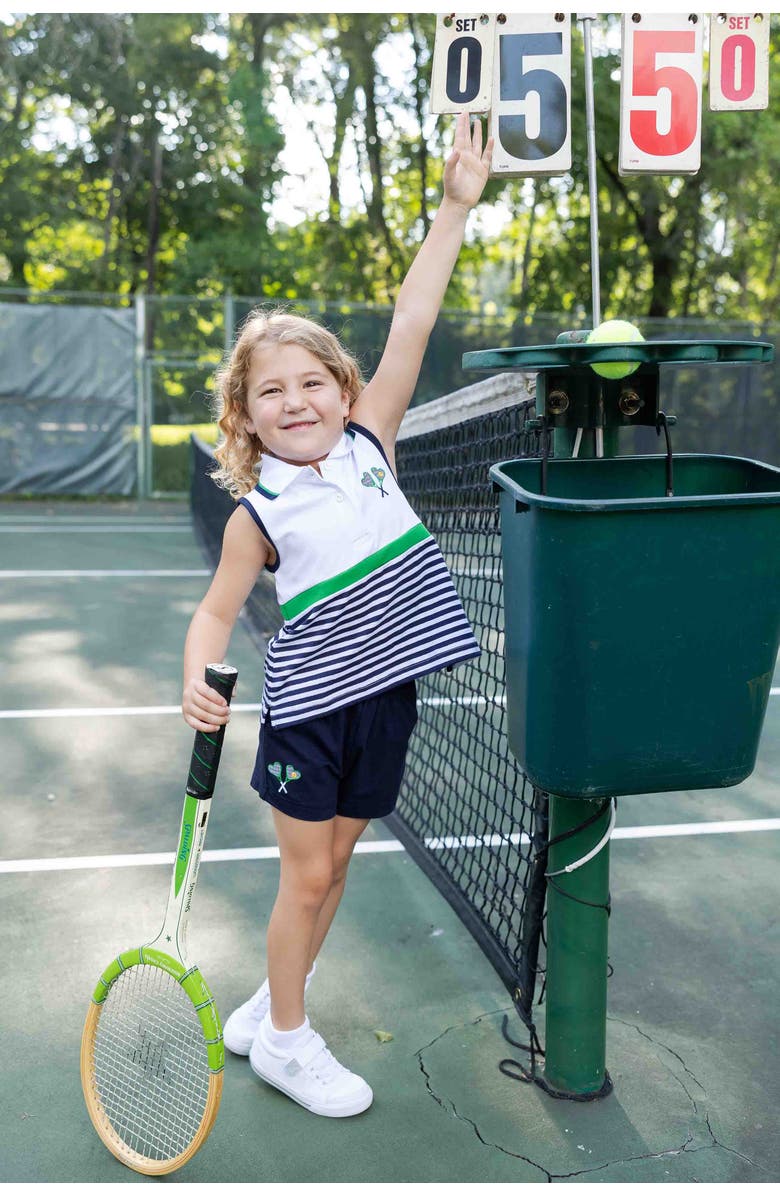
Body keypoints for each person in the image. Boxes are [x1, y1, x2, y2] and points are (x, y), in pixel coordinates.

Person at [182, 111, 493, 1119]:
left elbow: (411, 321)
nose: (297, 397)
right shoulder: (257, 513)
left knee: (339, 865)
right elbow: (217, 611)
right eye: (271, 390)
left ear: (344, 390)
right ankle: (285, 1038)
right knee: (305, 878)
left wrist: (453, 208)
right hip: (311, 713)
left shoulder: (373, 442)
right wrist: (199, 674)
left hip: (386, 696)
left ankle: (273, 1009)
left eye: (313, 379)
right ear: (248, 414)